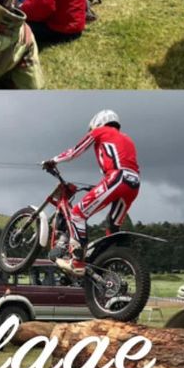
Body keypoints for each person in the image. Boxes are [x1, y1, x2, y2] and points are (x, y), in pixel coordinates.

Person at [42, 110, 140, 276]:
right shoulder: (128, 139)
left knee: (77, 214)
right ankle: (106, 262)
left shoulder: (99, 131)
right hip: (134, 182)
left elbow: (74, 152)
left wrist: (53, 160)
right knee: (112, 226)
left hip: (116, 177)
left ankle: (77, 260)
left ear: (98, 122)